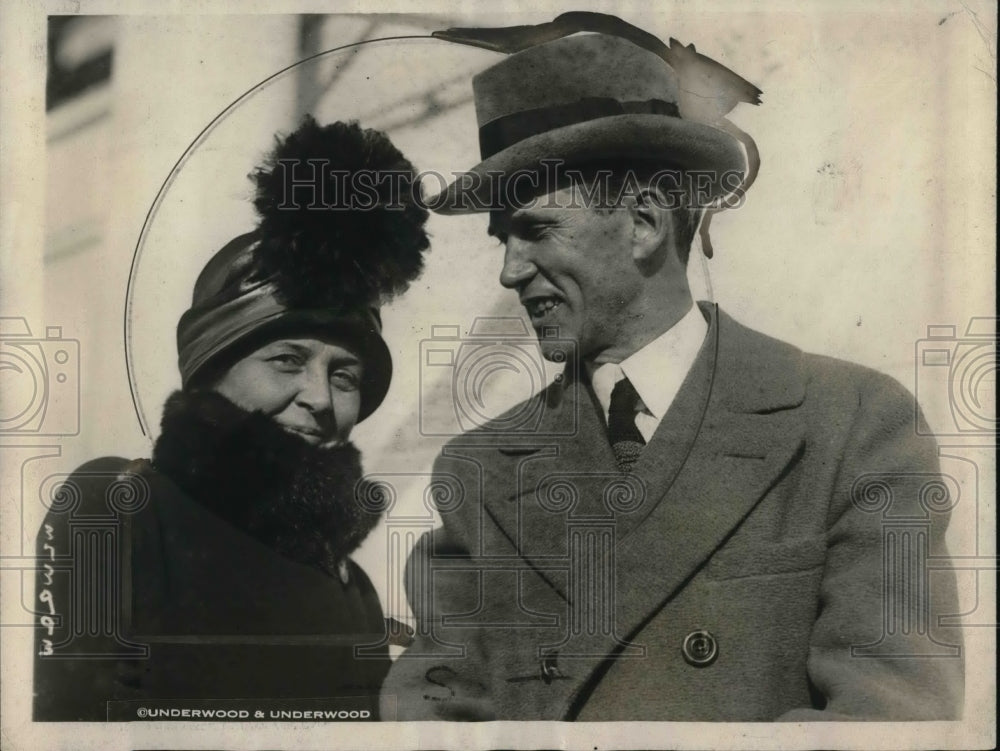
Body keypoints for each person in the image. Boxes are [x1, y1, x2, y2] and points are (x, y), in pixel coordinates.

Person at [380, 23, 964, 721]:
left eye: (535, 231)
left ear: (645, 223)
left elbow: (891, 720)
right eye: (500, 239)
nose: (509, 271)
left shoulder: (852, 424)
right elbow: (432, 716)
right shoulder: (476, 471)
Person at [33, 116, 430, 721]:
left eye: (344, 375)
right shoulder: (116, 505)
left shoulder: (354, 590)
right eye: (287, 360)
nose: (320, 399)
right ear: (212, 367)